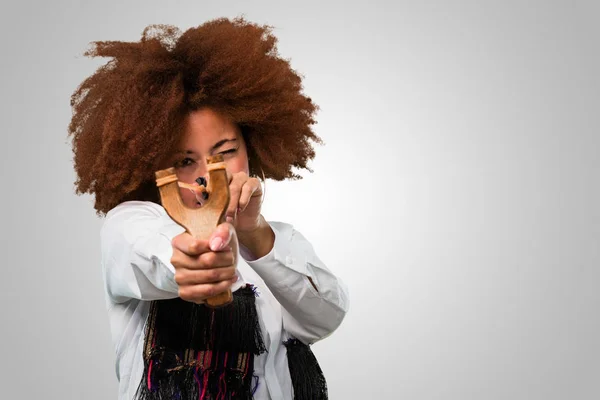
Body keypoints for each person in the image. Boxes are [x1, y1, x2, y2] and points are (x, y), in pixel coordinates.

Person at [68, 17, 349, 400]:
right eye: (185, 161)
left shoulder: (277, 240)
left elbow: (325, 317)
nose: (206, 177)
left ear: (252, 147)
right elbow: (152, 252)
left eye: (226, 153)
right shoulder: (131, 222)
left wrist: (255, 235)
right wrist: (192, 260)